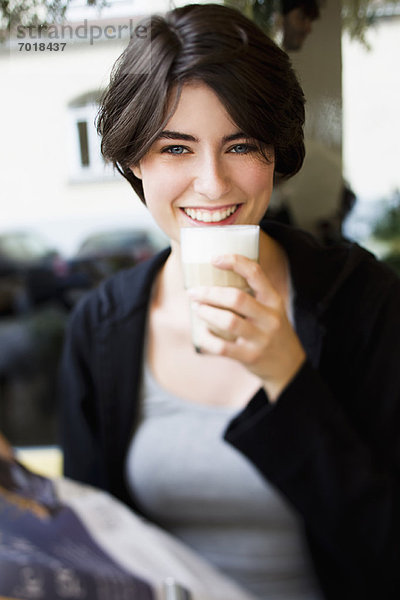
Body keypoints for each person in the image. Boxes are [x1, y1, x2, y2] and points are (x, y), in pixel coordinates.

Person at [59, 4, 400, 600]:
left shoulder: (361, 301)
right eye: (176, 149)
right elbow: (94, 547)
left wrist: (286, 378)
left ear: (274, 152)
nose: (214, 184)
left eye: (241, 145)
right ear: (136, 159)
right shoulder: (103, 326)